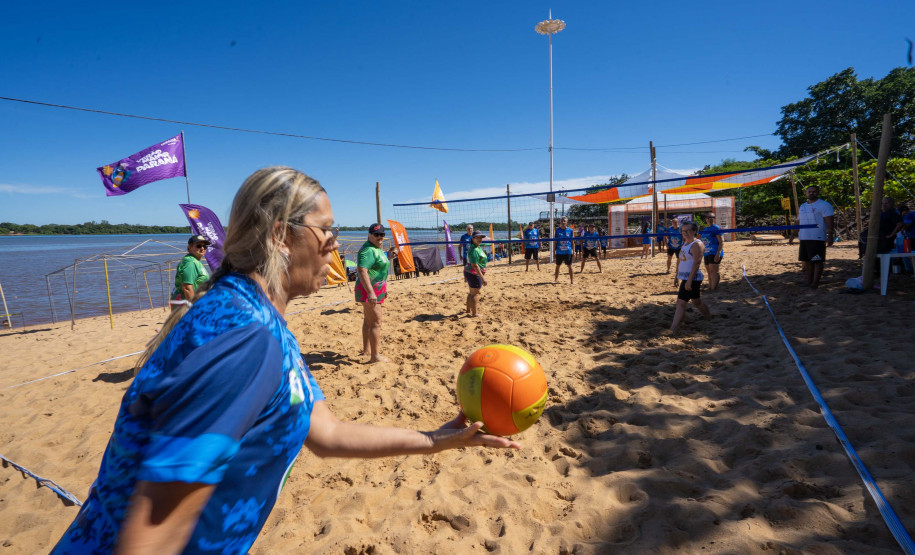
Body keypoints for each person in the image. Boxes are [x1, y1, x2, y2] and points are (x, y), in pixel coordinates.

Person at [52, 167, 519, 555]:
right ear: (280, 235)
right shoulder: (244, 338)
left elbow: (328, 434)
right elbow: (151, 538)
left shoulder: (264, 323)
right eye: (327, 229)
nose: (336, 242)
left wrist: (437, 439)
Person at [670, 221, 712, 332]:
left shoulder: (697, 244)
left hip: (692, 278)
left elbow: (697, 263)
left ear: (694, 231)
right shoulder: (685, 244)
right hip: (685, 277)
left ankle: (673, 328)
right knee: (697, 302)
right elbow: (680, 261)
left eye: (688, 230)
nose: (686, 233)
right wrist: (676, 276)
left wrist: (689, 281)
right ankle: (709, 317)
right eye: (683, 231)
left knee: (680, 303)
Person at [357, 223, 390, 363]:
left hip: (376, 290)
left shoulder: (377, 248)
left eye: (382, 234)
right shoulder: (367, 250)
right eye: (376, 234)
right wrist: (371, 292)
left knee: (368, 321)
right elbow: (362, 271)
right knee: (376, 322)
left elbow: (378, 269)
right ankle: (375, 357)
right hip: (368, 291)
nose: (379, 237)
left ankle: (367, 351)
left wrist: (383, 289)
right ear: (369, 235)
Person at [797, 185, 834, 288]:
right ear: (806, 193)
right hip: (804, 237)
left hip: (817, 237)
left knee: (817, 261)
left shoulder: (824, 205)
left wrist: (830, 235)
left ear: (818, 193)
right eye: (809, 191)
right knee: (807, 261)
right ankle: (809, 281)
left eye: (814, 191)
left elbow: (830, 221)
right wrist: (793, 235)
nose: (811, 193)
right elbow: (799, 221)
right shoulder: (803, 206)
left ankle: (815, 282)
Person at [170, 234, 211, 308]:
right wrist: (193, 308)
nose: (202, 248)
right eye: (198, 246)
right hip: (185, 304)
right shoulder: (190, 262)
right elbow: (187, 288)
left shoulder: (195, 261)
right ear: (190, 247)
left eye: (204, 246)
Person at [464, 230, 489, 316]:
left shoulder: (476, 247)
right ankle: (474, 313)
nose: (479, 239)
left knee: (471, 292)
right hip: (474, 273)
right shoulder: (474, 249)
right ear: (473, 238)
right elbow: (474, 265)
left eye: (480, 237)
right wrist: (483, 278)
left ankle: (468, 310)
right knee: (475, 294)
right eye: (477, 237)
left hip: (470, 272)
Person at [700, 213, 724, 292]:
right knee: (709, 271)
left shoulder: (716, 228)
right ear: (706, 219)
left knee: (714, 271)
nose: (710, 219)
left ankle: (713, 289)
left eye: (712, 217)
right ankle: (710, 287)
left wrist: (718, 253)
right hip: (706, 252)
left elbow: (721, 242)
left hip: (714, 252)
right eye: (709, 217)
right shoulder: (705, 229)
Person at [553, 217, 575, 284]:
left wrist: (573, 251)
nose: (563, 222)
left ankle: (572, 281)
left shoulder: (570, 230)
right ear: (560, 222)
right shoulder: (557, 231)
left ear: (566, 222)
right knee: (557, 266)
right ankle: (556, 280)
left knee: (569, 266)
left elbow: (572, 242)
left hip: (568, 251)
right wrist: (554, 252)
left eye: (564, 221)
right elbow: (555, 242)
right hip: (559, 252)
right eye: (562, 221)